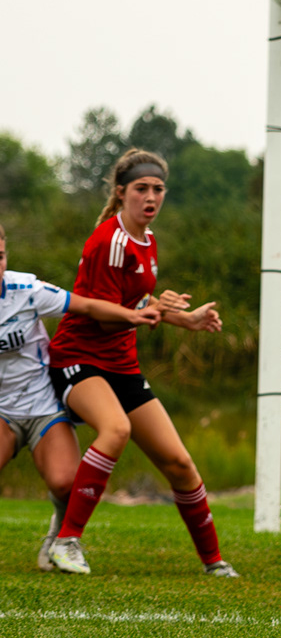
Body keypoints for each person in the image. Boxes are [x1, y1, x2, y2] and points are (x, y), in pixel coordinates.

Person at [45, 148, 232, 576]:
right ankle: (66, 542)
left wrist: (187, 318)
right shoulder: (109, 241)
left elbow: (137, 302)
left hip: (121, 364)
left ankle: (215, 563)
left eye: (158, 189)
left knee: (180, 463)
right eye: (141, 188)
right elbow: (105, 318)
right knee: (116, 430)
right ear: (120, 192)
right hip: (79, 358)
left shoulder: (147, 240)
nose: (150, 197)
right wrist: (151, 310)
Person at [0, 224, 163, 574]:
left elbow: (86, 305)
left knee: (65, 483)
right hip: (2, 411)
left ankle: (57, 537)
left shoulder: (26, 289)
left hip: (43, 405)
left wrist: (133, 315)